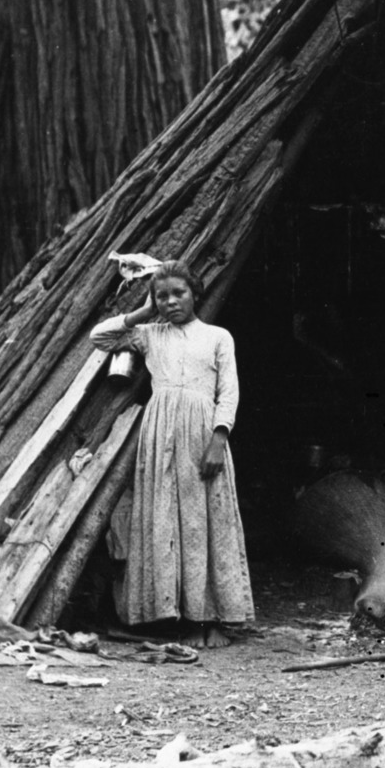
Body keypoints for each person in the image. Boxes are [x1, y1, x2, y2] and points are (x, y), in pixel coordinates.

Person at [88, 262, 251, 645]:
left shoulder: (216, 337)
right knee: (165, 519)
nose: (171, 301)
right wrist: (143, 312)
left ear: (196, 293)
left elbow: (228, 391)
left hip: (202, 432)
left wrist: (219, 438)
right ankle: (171, 615)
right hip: (160, 434)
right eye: (162, 295)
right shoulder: (149, 335)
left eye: (179, 293)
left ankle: (209, 617)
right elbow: (100, 338)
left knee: (203, 520)